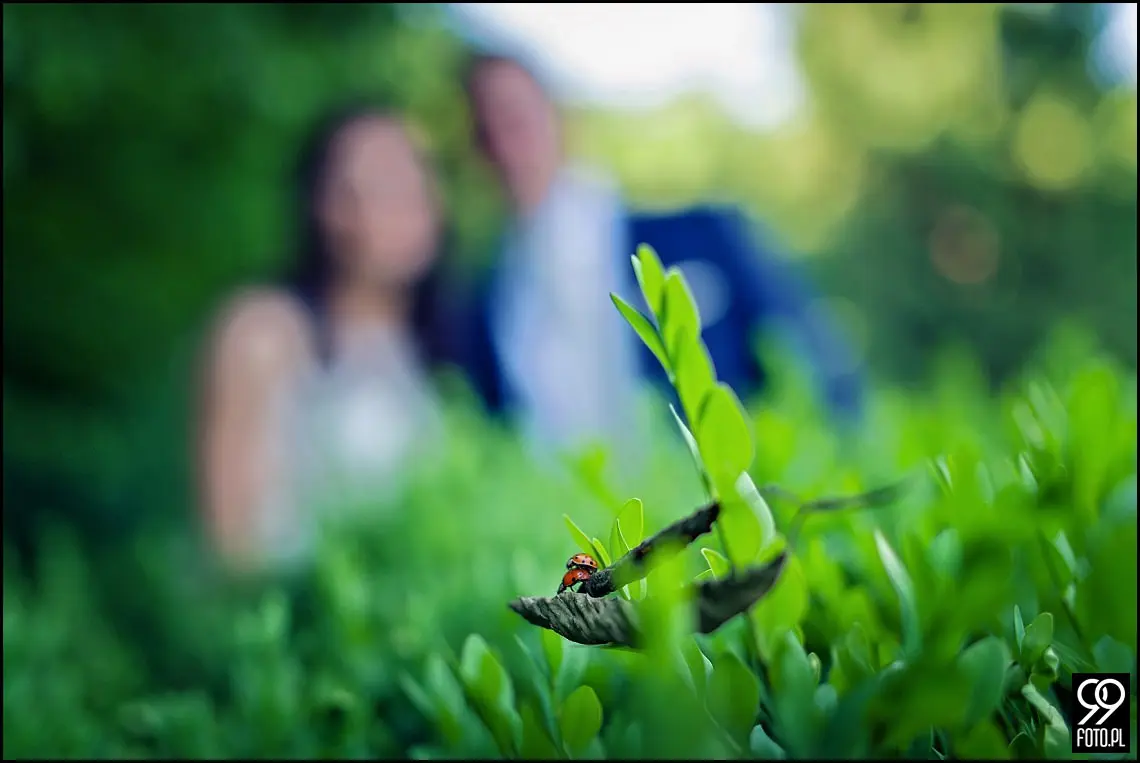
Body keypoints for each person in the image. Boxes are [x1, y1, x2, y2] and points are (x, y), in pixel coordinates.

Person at [451, 51, 863, 455]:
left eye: (516, 119)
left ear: (560, 120)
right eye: (487, 131)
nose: (508, 147)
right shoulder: (487, 307)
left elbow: (812, 365)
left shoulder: (702, 236)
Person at [196, 102, 448, 571]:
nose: (411, 198)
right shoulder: (262, 331)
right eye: (382, 183)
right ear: (327, 207)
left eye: (418, 176)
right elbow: (227, 548)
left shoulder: (434, 345)